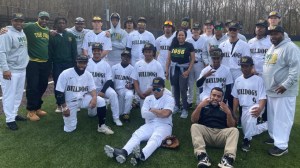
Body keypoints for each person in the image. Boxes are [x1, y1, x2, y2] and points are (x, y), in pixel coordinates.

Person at [104, 77, 174, 166]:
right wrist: (159, 112)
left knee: (155, 138)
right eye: (153, 88)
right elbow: (144, 114)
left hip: (165, 125)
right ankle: (124, 152)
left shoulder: (169, 99)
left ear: (163, 88)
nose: (155, 91)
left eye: (158, 88)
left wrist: (152, 110)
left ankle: (142, 154)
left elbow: (166, 114)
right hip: (150, 123)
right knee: (137, 134)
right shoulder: (148, 98)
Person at [262, 25, 300, 156]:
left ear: (282, 34)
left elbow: (295, 70)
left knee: (282, 119)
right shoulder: (272, 47)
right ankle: (274, 137)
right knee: (273, 117)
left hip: (283, 91)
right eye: (271, 34)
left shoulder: (290, 48)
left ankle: (282, 146)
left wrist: (286, 85)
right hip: (272, 90)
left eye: (276, 34)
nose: (273, 36)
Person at [55, 55, 114, 134]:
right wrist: (64, 108)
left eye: (84, 63)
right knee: (70, 129)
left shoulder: (88, 74)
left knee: (100, 101)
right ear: (76, 62)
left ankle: (101, 126)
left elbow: (92, 89)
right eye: (80, 62)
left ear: (87, 64)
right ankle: (70, 120)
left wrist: (94, 98)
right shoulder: (65, 73)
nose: (82, 65)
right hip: (70, 102)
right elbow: (59, 92)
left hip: (83, 99)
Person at [191, 87, 238, 168]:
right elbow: (193, 120)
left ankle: (227, 159)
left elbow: (231, 126)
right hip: (206, 134)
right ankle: (202, 156)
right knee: (194, 126)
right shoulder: (203, 105)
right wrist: (199, 107)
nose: (216, 98)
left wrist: (228, 113)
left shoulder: (225, 108)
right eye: (214, 95)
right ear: (210, 95)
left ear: (222, 98)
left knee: (234, 130)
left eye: (218, 96)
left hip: (221, 134)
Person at [232, 56, 267, 152]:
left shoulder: (258, 79)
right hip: (244, 108)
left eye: (246, 66)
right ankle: (266, 125)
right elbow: (235, 97)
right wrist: (234, 111)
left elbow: (263, 97)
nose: (244, 68)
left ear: (252, 66)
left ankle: (246, 140)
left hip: (256, 105)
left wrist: (260, 109)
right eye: (242, 66)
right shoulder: (238, 80)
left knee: (252, 114)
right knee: (248, 129)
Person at [0, 13, 28, 130]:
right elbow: (1, 52)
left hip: (21, 69)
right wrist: (5, 69)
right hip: (10, 70)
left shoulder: (22, 31)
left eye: (21, 21)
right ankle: (9, 119)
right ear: (12, 21)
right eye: (16, 21)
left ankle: (14, 114)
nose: (19, 23)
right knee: (9, 96)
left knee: (18, 94)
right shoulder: (6, 33)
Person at [86, 43, 122, 126]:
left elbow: (109, 80)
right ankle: (102, 103)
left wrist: (103, 91)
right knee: (92, 115)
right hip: (91, 91)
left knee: (113, 94)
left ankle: (116, 118)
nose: (96, 52)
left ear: (101, 51)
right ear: (92, 51)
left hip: (102, 88)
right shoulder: (87, 63)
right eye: (95, 50)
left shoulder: (106, 64)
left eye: (98, 50)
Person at [24, 11, 51, 121]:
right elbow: (17, 25)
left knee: (43, 85)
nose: (44, 20)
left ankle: (37, 107)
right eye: (42, 18)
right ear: (38, 18)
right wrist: (4, 29)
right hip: (33, 62)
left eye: (46, 19)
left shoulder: (47, 30)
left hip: (44, 62)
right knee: (32, 87)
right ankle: (30, 111)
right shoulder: (30, 26)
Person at [49, 17, 77, 113]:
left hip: (69, 64)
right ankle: (59, 104)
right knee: (58, 84)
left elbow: (74, 51)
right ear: (56, 24)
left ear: (66, 24)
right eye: (59, 23)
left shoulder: (70, 35)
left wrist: (75, 64)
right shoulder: (52, 36)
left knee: (70, 84)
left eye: (64, 23)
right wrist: (51, 66)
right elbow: (50, 52)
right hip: (57, 64)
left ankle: (71, 103)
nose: (62, 24)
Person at [166, 29, 195, 118]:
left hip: (184, 69)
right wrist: (167, 70)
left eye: (182, 35)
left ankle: (185, 108)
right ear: (177, 36)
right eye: (179, 35)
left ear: (185, 36)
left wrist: (188, 71)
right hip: (174, 69)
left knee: (183, 88)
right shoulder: (173, 45)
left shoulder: (189, 45)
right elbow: (168, 59)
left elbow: (192, 59)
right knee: (175, 88)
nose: (180, 37)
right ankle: (177, 106)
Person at [186, 23, 209, 106]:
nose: (195, 31)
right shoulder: (188, 40)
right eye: (194, 29)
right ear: (192, 31)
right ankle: (190, 101)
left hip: (199, 63)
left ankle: (199, 101)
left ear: (200, 30)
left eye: (197, 29)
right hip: (190, 64)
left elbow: (206, 53)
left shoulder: (204, 40)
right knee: (190, 83)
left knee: (200, 83)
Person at [111, 50, 134, 122]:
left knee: (129, 95)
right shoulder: (114, 67)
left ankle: (126, 114)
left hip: (127, 89)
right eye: (124, 56)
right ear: (121, 57)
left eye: (127, 57)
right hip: (117, 90)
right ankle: (126, 108)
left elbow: (134, 83)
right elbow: (111, 81)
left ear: (130, 58)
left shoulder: (132, 69)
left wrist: (132, 86)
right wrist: (113, 91)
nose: (125, 58)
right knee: (119, 112)